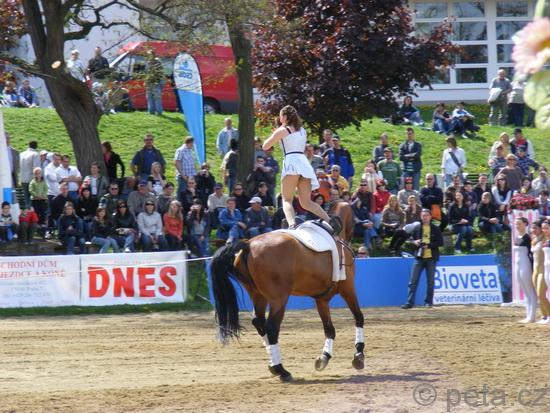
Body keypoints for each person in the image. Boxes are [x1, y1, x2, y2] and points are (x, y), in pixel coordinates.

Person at [262, 105, 337, 232]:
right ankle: (330, 221)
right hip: (303, 163)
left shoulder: (283, 130)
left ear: (285, 117)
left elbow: (265, 146)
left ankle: (292, 225)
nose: (280, 118)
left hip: (291, 162)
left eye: (281, 116)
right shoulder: (302, 130)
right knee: (306, 202)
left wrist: (276, 132)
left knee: (286, 199)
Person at [401, 209, 443, 309]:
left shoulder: (435, 228)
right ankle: (409, 302)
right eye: (423, 216)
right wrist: (414, 242)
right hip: (419, 258)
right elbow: (409, 239)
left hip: (431, 258)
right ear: (421, 216)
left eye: (427, 215)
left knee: (430, 282)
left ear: (430, 216)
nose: (425, 217)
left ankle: (428, 302)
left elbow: (440, 242)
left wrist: (429, 245)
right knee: (413, 281)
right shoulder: (417, 227)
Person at [514, 217, 537, 323]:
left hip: (525, 264)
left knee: (530, 290)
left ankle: (532, 316)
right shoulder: (516, 237)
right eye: (516, 224)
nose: (517, 226)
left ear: (525, 224)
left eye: (519, 224)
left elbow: (532, 254)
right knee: (525, 291)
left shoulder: (528, 238)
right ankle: (528, 315)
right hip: (517, 265)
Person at [530, 221, 550, 324]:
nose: (544, 230)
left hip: (543, 269)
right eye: (543, 228)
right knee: (538, 295)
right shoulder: (534, 239)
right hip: (535, 270)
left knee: (541, 294)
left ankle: (549, 316)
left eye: (546, 228)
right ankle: (544, 316)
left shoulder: (544, 239)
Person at [351, 183, 377, 250]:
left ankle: (367, 246)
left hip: (365, 227)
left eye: (359, 201)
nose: (359, 202)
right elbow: (355, 220)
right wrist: (363, 223)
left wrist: (370, 222)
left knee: (367, 230)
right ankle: (375, 237)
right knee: (367, 225)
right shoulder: (352, 210)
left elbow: (368, 217)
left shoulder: (364, 208)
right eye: (357, 201)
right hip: (356, 227)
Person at [174, 136, 199, 202]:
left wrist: (195, 173)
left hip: (191, 176)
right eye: (192, 143)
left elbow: (192, 162)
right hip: (184, 176)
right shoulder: (180, 150)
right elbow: (177, 162)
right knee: (182, 193)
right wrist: (182, 175)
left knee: (191, 193)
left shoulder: (190, 150)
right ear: (189, 142)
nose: (193, 145)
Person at [19, 140, 41, 205]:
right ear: (36, 146)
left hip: (23, 179)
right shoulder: (35, 154)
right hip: (32, 179)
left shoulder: (21, 154)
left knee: (26, 199)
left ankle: (26, 210)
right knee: (33, 199)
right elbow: (36, 168)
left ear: (29, 145)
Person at [144, 50, 164, 115]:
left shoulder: (158, 62)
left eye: (150, 54)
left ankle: (159, 112)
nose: (148, 56)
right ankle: (151, 111)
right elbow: (146, 73)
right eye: (148, 55)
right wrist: (145, 81)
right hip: (149, 82)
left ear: (153, 55)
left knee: (157, 97)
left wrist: (159, 81)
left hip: (156, 82)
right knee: (149, 97)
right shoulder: (148, 63)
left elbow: (160, 73)